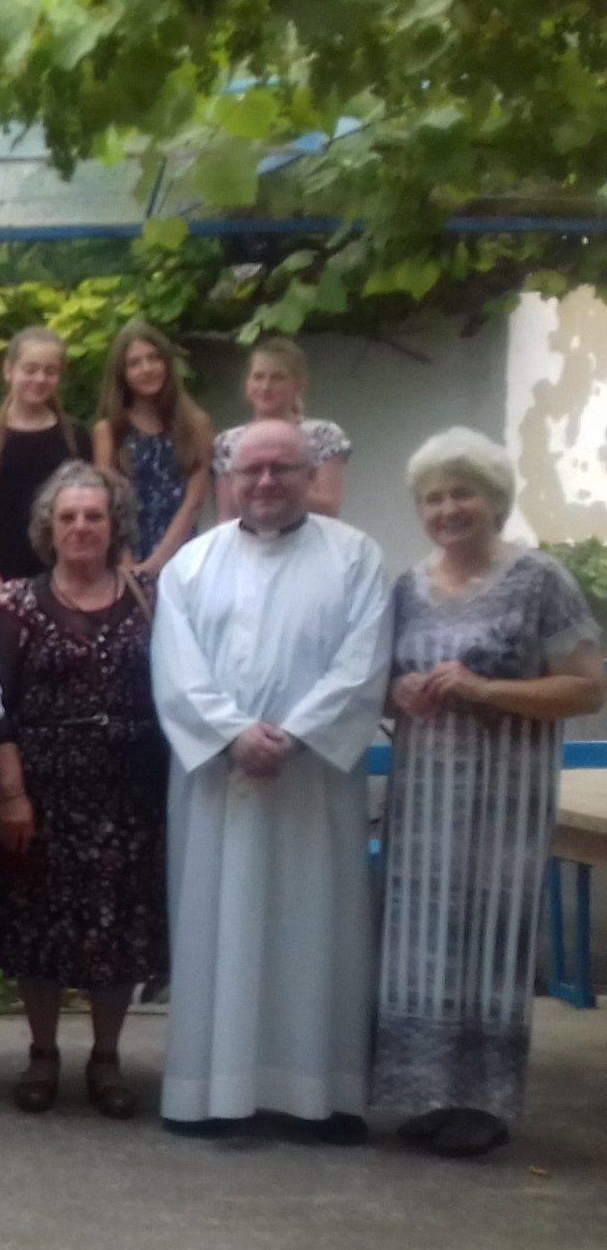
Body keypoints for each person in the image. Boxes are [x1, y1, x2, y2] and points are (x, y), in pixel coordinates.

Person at [152, 419, 392, 1140]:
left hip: (313, 783)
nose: (264, 483)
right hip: (218, 785)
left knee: (316, 928)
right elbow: (176, 666)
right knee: (214, 927)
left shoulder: (357, 558)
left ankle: (320, 1094)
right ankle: (210, 1093)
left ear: (311, 471)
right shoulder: (190, 565)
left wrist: (295, 734)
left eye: (281, 469)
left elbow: (364, 664)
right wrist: (230, 733)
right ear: (226, 475)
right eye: (250, 470)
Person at [375, 429, 604, 1158]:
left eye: (463, 493)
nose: (449, 509)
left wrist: (486, 688)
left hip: (505, 794)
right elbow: (381, 682)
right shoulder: (408, 586)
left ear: (496, 502)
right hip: (424, 798)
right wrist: (398, 688)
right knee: (423, 941)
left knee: (492, 937)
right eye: (435, 497)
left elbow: (587, 685)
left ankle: (484, 1102)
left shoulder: (538, 580)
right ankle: (429, 1092)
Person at [0, 463, 166, 1120]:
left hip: (130, 792)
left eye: (94, 515)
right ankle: (41, 1053)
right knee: (40, 925)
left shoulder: (148, 595)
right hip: (44, 788)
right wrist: (10, 791)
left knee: (120, 927)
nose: (82, 527)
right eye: (68, 517)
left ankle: (108, 1057)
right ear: (48, 529)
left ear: (115, 523)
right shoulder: (17, 605)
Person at [92, 321, 213, 576]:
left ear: (167, 363)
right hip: (126, 560)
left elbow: (194, 502)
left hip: (185, 553)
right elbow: (108, 504)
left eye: (154, 358)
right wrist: (128, 564)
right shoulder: (108, 431)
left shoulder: (196, 424)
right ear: (121, 373)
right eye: (134, 363)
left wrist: (157, 562)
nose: (146, 369)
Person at [0, 327, 82, 592]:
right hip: (2, 579)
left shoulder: (76, 436)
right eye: (30, 369)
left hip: (64, 581)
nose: (40, 378)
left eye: (50, 371)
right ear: (9, 371)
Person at [215, 337, 351, 520]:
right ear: (247, 385)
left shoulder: (323, 434)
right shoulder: (228, 442)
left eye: (277, 378)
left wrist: (277, 489)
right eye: (258, 377)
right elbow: (227, 515)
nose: (266, 386)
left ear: (298, 385)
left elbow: (330, 507)